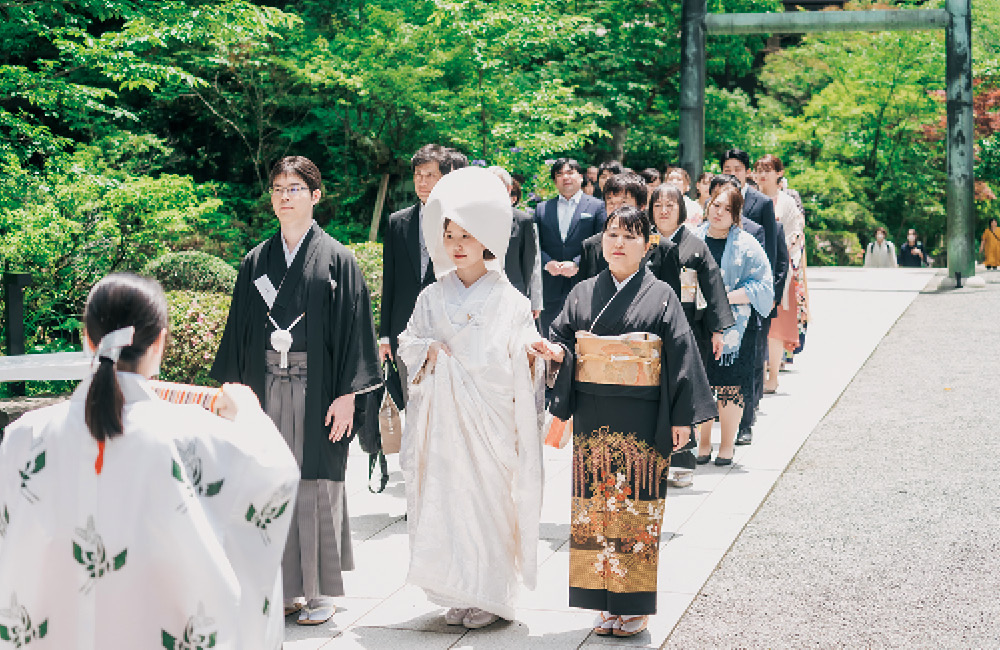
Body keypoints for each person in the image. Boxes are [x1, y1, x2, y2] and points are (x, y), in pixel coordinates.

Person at [0, 273, 300, 648]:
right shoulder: (192, 436)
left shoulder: (25, 438)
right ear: (159, 343)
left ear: (87, 340)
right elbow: (275, 471)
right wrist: (248, 411)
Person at [531, 205, 717, 638]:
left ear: (647, 245)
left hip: (643, 415)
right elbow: (561, 336)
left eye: (631, 236)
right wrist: (557, 351)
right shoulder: (582, 292)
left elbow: (680, 355)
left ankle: (633, 605)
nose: (619, 243)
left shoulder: (663, 293)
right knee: (595, 510)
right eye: (613, 234)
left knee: (636, 509)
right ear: (602, 241)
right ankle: (604, 602)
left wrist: (682, 418)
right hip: (594, 416)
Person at [211, 156, 381, 625]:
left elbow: (356, 331)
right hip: (265, 385)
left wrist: (349, 395)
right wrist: (234, 394)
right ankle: (280, 586)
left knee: (316, 484)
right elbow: (239, 333)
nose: (285, 196)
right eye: (278, 188)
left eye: (295, 188)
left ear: (315, 195)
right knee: (266, 479)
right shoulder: (256, 261)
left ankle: (320, 591)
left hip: (318, 386)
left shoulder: (338, 259)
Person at [398, 167, 544, 629]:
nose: (457, 243)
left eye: (467, 234)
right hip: (442, 425)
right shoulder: (430, 296)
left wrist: (531, 356)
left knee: (490, 503)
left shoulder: (510, 300)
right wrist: (429, 352)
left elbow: (526, 348)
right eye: (449, 234)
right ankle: (459, 588)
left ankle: (492, 592)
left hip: (491, 419)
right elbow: (408, 342)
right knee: (450, 502)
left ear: (487, 239)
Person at [647, 184, 734, 487]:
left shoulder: (695, 245)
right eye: (658, 205)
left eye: (671, 204)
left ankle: (682, 460)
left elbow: (713, 287)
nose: (664, 210)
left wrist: (718, 329)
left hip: (687, 328)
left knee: (682, 392)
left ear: (681, 210)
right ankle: (651, 459)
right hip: (646, 331)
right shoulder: (643, 242)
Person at [693, 184, 773, 466]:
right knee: (701, 384)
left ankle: (726, 445)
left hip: (737, 327)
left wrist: (724, 296)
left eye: (728, 209)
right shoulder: (693, 238)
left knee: (730, 387)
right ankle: (702, 443)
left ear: (736, 215)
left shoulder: (747, 244)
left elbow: (763, 286)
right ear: (708, 205)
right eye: (716, 205)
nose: (719, 213)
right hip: (699, 322)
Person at [379, 144, 464, 402]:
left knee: (447, 408)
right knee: (412, 402)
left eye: (430, 175)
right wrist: (385, 335)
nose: (422, 181)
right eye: (418, 175)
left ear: (445, 177)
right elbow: (390, 279)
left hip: (450, 329)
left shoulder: (462, 219)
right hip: (405, 330)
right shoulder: (397, 222)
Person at [720, 148, 778, 446]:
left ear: (747, 172)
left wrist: (769, 299)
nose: (732, 173)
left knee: (752, 361)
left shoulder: (761, 204)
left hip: (752, 298)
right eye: (726, 167)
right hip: (720, 303)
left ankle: (747, 420)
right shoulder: (713, 208)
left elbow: (773, 255)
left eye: (737, 168)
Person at [534, 158, 608, 335]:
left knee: (582, 338)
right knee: (548, 339)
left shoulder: (597, 206)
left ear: (581, 177)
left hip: (583, 283)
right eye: (559, 174)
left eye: (570, 172)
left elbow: (601, 242)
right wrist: (547, 263)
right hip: (549, 286)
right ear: (554, 181)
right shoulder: (542, 209)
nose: (565, 177)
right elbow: (534, 244)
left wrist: (577, 264)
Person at [756, 154, 804, 393]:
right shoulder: (747, 198)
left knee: (774, 326)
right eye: (758, 169)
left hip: (778, 269)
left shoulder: (786, 202)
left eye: (768, 169)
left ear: (779, 173)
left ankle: (773, 376)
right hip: (752, 268)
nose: (762, 174)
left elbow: (795, 234)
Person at [489, 165, 543, 319]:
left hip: (514, 293)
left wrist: (535, 301)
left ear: (508, 189)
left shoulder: (523, 220)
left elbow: (533, 262)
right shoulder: (474, 219)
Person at [578, 172, 649, 282]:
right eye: (610, 202)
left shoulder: (662, 248)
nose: (616, 209)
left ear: (642, 206)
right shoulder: (590, 245)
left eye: (623, 202)